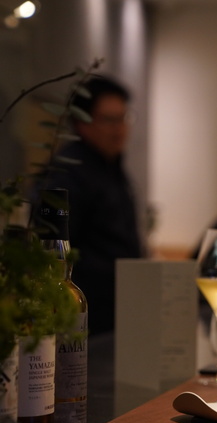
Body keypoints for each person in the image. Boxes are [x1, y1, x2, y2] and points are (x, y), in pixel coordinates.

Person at [45, 74, 144, 335]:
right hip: (84, 314)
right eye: (109, 120)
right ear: (82, 123)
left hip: (117, 310)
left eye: (123, 118)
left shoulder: (111, 166)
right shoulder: (68, 172)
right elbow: (55, 247)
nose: (120, 129)